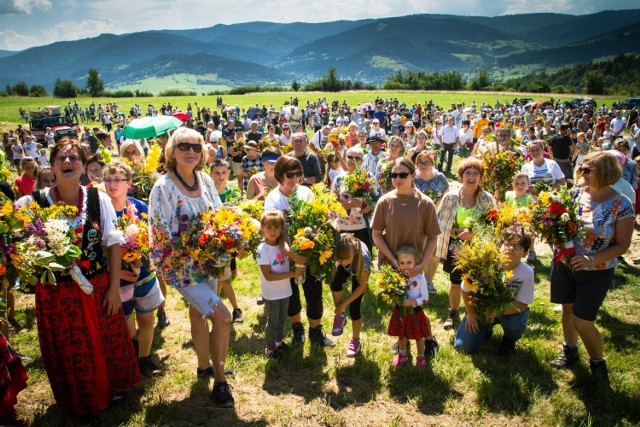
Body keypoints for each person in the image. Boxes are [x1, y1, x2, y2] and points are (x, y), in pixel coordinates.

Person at [15, 137, 140, 417]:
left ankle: (112, 387)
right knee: (70, 344)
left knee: (104, 336)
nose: (67, 162)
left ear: (84, 166)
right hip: (56, 293)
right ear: (52, 165)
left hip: (96, 285)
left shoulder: (98, 199)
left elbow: (112, 243)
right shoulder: (32, 203)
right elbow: (16, 238)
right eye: (61, 158)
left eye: (74, 158)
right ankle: (78, 394)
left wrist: (112, 290)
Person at [148, 127, 234, 407]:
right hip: (182, 267)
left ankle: (203, 366)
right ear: (172, 151)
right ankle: (220, 381)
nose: (191, 152)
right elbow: (161, 233)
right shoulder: (163, 187)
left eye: (197, 147)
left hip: (208, 262)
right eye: (184, 146)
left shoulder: (206, 180)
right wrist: (195, 245)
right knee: (222, 316)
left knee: (199, 314)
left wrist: (225, 241)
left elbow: (219, 215)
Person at [550, 151, 634, 385]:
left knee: (583, 319)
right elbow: (561, 224)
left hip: (597, 271)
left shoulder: (621, 204)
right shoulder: (575, 194)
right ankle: (570, 351)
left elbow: (622, 245)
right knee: (567, 310)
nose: (581, 173)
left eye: (587, 170)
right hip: (565, 264)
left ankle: (598, 362)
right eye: (581, 168)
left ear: (605, 172)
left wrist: (591, 259)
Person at [371, 156, 441, 351]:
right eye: (394, 175)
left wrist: (421, 265)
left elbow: (433, 238)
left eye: (402, 174)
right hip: (393, 265)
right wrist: (392, 260)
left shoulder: (425, 203)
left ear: (412, 175)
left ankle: (428, 339)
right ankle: (402, 339)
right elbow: (376, 234)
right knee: (399, 307)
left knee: (416, 309)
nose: (397, 179)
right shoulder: (385, 202)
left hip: (414, 267)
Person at [264, 156, 334, 346]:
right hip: (285, 256)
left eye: (298, 173)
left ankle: (316, 331)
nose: (295, 178)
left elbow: (315, 223)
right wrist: (291, 254)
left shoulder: (306, 192)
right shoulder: (273, 200)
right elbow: (274, 233)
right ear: (279, 175)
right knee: (291, 295)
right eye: (290, 174)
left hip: (308, 254)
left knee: (314, 293)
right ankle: (297, 329)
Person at [103, 161, 164, 376]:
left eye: (117, 179)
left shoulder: (139, 207)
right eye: (108, 180)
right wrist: (116, 271)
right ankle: (132, 352)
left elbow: (152, 236)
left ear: (129, 183)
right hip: (119, 281)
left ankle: (144, 360)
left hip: (144, 275)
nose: (112, 184)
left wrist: (143, 259)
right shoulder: (102, 211)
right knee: (128, 327)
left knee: (147, 319)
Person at [454, 227, 535, 354]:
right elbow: (465, 290)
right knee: (463, 347)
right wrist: (471, 313)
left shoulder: (527, 272)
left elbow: (522, 304)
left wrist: (498, 311)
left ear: (525, 252)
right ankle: (485, 328)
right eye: (508, 243)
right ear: (499, 245)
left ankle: (509, 340)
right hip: (481, 309)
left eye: (517, 246)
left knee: (516, 324)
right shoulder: (484, 264)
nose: (511, 248)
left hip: (508, 311)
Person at [436, 158, 496, 330]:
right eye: (467, 173)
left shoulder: (487, 199)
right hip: (455, 247)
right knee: (455, 282)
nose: (471, 177)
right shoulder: (450, 197)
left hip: (479, 247)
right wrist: (454, 232)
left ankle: (474, 313)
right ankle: (453, 313)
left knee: (476, 282)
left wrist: (474, 233)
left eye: (475, 173)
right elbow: (440, 221)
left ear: (481, 177)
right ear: (461, 176)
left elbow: (494, 224)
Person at [256, 211, 306, 359]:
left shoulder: (282, 246)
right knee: (273, 321)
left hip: (285, 291)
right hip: (271, 294)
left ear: (281, 229)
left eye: (276, 228)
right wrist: (292, 274)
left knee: (282, 319)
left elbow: (284, 265)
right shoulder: (262, 249)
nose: (273, 232)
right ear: (262, 228)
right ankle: (270, 349)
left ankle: (279, 342)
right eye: (269, 228)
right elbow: (269, 276)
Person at [388, 245, 438, 371]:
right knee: (402, 335)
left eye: (409, 262)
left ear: (416, 262)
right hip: (401, 313)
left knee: (418, 336)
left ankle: (421, 356)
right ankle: (402, 354)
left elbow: (425, 298)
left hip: (415, 313)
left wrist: (413, 301)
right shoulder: (396, 277)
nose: (405, 266)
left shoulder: (420, 279)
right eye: (402, 263)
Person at [330, 233, 372, 357]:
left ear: (354, 253)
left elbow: (363, 286)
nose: (342, 262)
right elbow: (332, 278)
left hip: (359, 270)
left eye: (345, 259)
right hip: (351, 263)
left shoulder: (363, 259)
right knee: (335, 281)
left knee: (354, 308)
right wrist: (340, 308)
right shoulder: (342, 254)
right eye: (339, 259)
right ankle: (340, 316)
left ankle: (355, 340)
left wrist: (343, 303)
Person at [331, 146, 377, 252]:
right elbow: (332, 204)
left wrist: (369, 207)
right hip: (343, 227)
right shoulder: (338, 179)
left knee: (364, 262)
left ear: (362, 161)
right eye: (350, 157)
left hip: (363, 227)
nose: (353, 160)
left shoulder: (369, 177)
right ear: (345, 157)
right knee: (343, 262)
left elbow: (377, 200)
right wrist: (350, 205)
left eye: (357, 158)